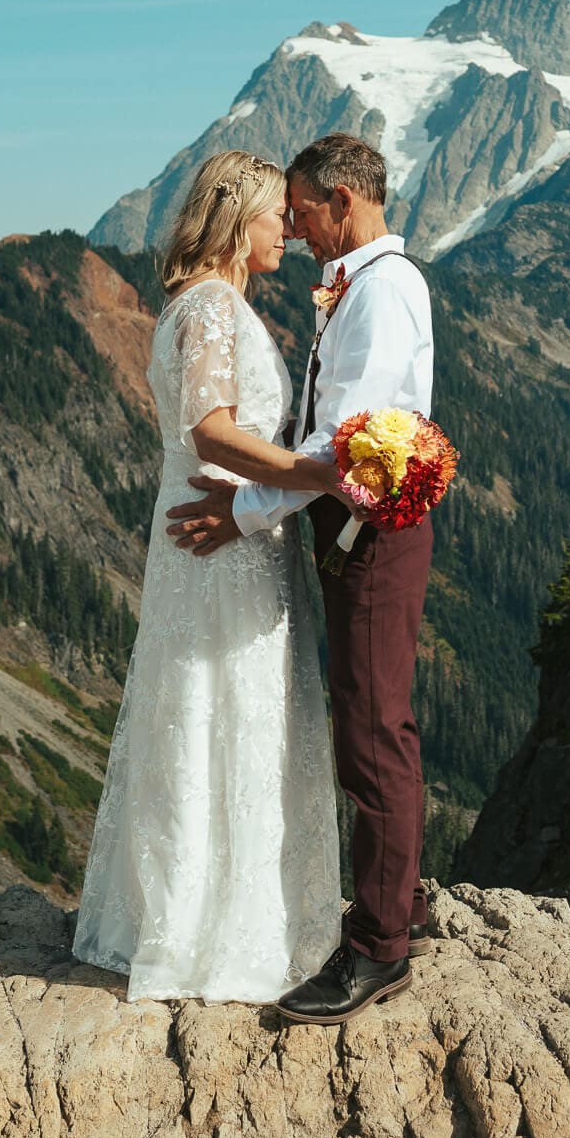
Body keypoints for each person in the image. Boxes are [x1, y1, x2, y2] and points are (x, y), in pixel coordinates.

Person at [167, 133, 435, 1025]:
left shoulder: (381, 291)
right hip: (352, 527)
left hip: (371, 531)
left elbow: (340, 445)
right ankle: (400, 903)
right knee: (373, 717)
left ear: (343, 202)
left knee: (371, 731)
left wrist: (244, 511)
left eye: (304, 211)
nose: (293, 227)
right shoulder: (361, 286)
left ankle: (379, 947)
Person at [72, 150, 343, 1003]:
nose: (288, 230)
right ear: (234, 217)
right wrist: (321, 475)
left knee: (214, 705)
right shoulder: (212, 306)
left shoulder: (201, 303)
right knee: (225, 702)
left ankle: (198, 912)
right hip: (221, 536)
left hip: (222, 529)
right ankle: (212, 929)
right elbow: (212, 432)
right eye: (275, 216)